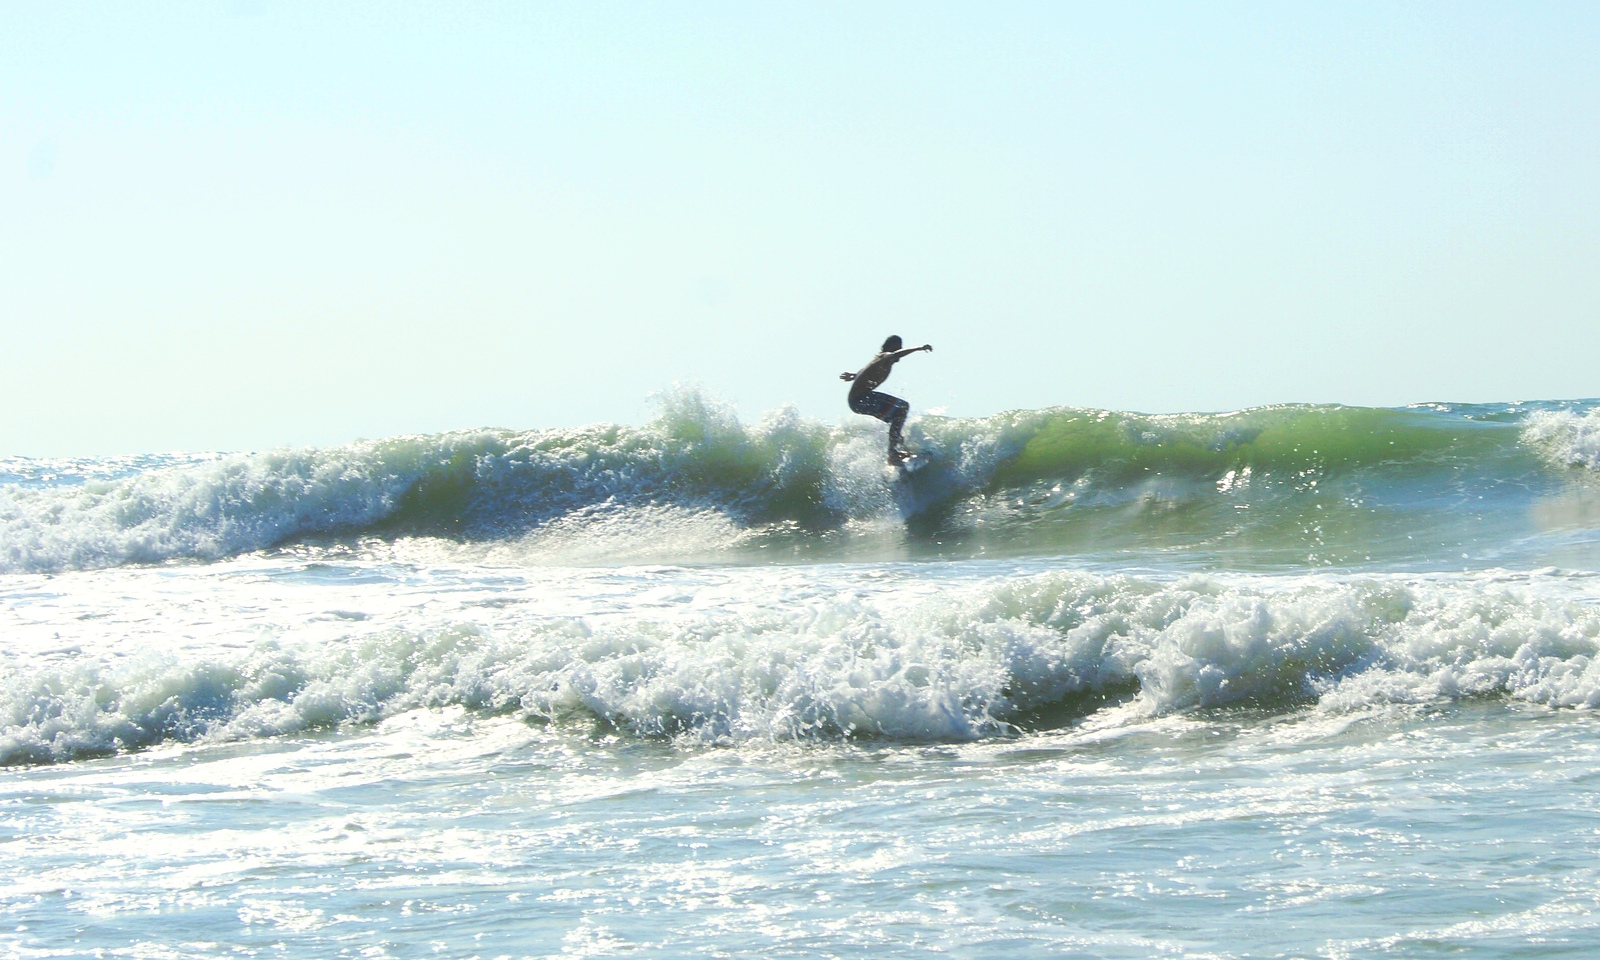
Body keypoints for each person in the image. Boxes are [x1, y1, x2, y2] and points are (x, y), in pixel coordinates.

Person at [840, 335, 933, 463]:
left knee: (896, 418)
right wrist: (919, 348)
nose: (900, 349)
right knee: (902, 407)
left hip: (857, 401)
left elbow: (864, 373)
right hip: (861, 399)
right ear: (891, 347)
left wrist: (853, 375)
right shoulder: (886, 356)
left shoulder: (878, 360)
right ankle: (892, 452)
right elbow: (894, 355)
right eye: (898, 347)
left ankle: (898, 448)